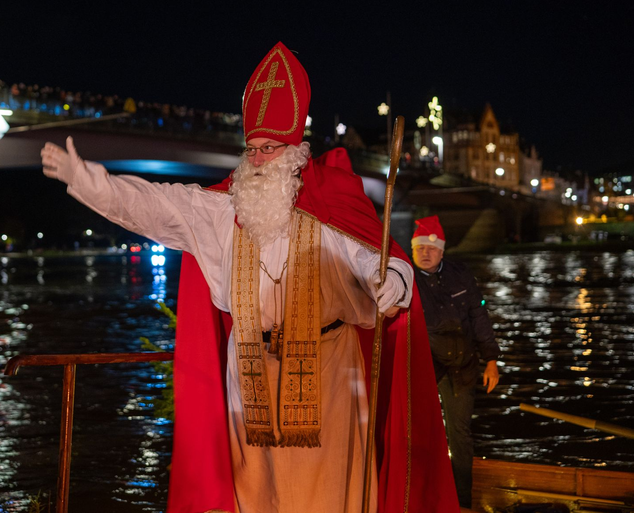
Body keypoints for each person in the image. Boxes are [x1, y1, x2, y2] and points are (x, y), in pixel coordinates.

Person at [42, 42, 458, 513]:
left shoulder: (329, 207)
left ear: (293, 152)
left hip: (328, 376)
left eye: (268, 149)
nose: (257, 160)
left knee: (324, 498)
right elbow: (154, 205)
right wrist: (90, 182)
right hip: (249, 377)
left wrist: (391, 283)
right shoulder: (223, 210)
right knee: (255, 496)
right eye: (252, 149)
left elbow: (376, 260)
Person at [410, 215, 501, 509]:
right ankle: (422, 494)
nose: (425, 253)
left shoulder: (461, 274)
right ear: (412, 250)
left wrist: (491, 359)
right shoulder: (404, 277)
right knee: (420, 431)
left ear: (442, 251)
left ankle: (462, 501)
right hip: (424, 366)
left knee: (460, 434)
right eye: (420, 248)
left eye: (431, 248)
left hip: (463, 365)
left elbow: (478, 316)